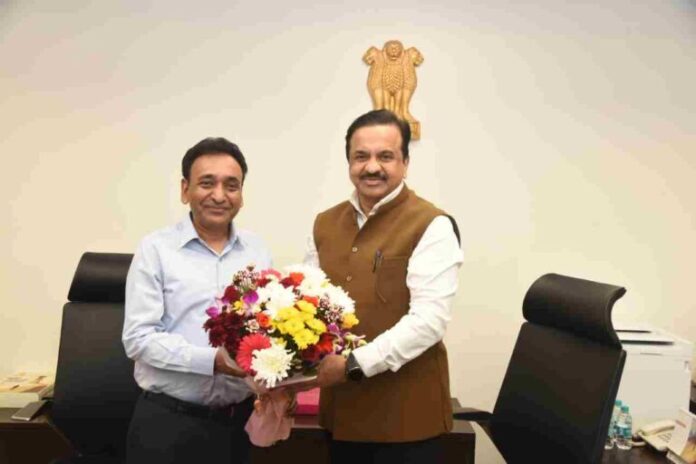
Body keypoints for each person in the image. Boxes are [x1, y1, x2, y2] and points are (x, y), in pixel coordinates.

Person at [304, 109, 463, 463]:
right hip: (340, 415)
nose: (372, 167)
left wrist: (353, 364)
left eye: (385, 156)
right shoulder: (324, 223)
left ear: (405, 162)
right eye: (361, 156)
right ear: (349, 162)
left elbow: (429, 321)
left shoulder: (432, 225)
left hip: (407, 423)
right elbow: (308, 304)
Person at [122, 137, 272, 464]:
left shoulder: (258, 251)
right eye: (207, 183)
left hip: (239, 424)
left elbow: (265, 329)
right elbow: (138, 339)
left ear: (242, 194)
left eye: (231, 185)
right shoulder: (156, 249)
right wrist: (212, 360)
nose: (219, 195)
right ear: (185, 189)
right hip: (168, 426)